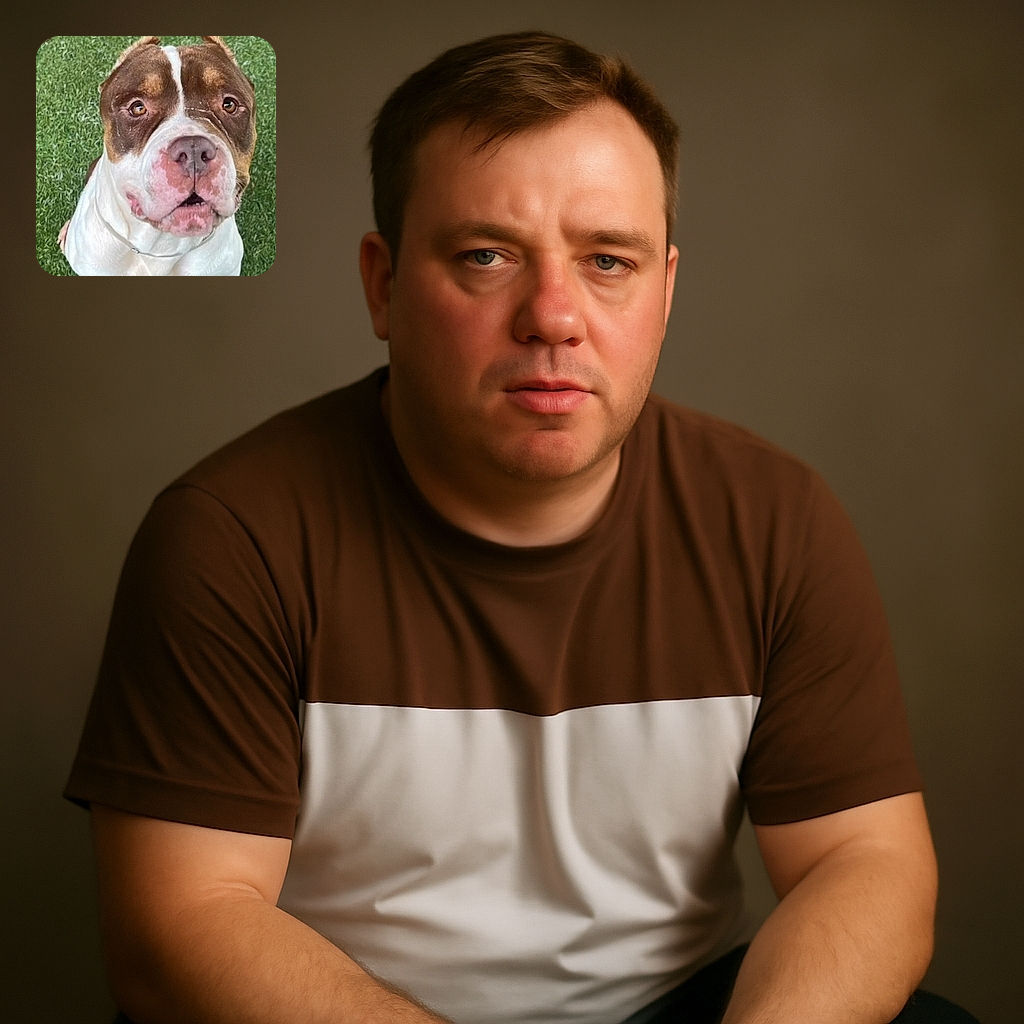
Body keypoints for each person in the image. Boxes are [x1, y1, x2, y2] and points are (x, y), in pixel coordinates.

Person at [66, 31, 975, 1024]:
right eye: (485, 255)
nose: (554, 315)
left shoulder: (774, 520)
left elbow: (867, 865)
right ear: (383, 283)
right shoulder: (229, 537)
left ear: (664, 289)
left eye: (607, 261)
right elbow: (181, 925)